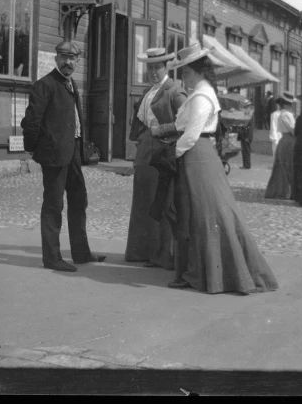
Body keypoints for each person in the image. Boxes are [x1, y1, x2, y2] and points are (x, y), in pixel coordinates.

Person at [151, 43, 278, 294]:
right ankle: (199, 270)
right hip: (195, 154)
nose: (183, 76)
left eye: (186, 72)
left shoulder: (201, 95)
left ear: (197, 71)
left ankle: (216, 273)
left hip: (197, 154)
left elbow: (191, 133)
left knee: (207, 213)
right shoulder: (200, 91)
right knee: (194, 212)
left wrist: (172, 154)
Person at [21, 40, 106, 272]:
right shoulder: (45, 85)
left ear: (78, 61)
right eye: (64, 57)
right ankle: (52, 258)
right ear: (56, 59)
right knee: (53, 205)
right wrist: (35, 151)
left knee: (79, 201)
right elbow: (31, 122)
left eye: (73, 58)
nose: (68, 62)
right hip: (54, 155)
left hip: (74, 153)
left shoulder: (71, 84)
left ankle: (81, 253)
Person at [125, 48, 188, 270]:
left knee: (159, 204)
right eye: (149, 68)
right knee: (143, 203)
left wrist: (159, 131)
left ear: (166, 67)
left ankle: (163, 255)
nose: (152, 72)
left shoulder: (175, 91)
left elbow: (185, 124)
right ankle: (142, 251)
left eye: (157, 68)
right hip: (144, 155)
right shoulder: (149, 91)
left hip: (161, 155)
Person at [264, 92, 296, 199]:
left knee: (282, 165)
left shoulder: (280, 113)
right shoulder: (287, 114)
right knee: (289, 165)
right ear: (287, 104)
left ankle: (282, 190)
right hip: (289, 141)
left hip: (284, 140)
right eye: (290, 103)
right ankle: (289, 191)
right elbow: (293, 130)